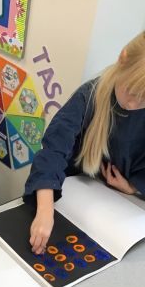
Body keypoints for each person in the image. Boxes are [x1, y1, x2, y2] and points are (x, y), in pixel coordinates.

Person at [24, 32, 145, 254]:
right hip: (70, 200)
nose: (132, 104)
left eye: (143, 99)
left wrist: (134, 186)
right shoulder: (88, 97)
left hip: (122, 211)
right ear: (122, 59)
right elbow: (53, 150)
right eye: (131, 91)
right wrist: (45, 211)